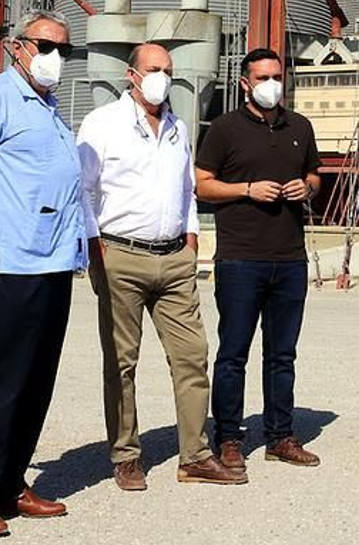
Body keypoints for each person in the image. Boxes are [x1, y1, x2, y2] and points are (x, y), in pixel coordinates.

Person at [0, 11, 92, 536]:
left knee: (36, 380)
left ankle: (10, 482)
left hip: (53, 262)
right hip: (8, 262)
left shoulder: (51, 110)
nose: (55, 57)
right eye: (46, 45)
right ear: (16, 46)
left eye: (64, 50)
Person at [77, 42, 243, 490]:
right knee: (122, 361)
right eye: (154, 69)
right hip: (120, 255)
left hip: (173, 258)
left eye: (168, 70)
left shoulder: (177, 127)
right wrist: (95, 247)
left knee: (192, 356)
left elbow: (186, 190)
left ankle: (195, 455)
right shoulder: (102, 124)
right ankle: (126, 454)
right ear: (131, 74)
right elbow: (83, 190)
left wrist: (189, 240)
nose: (162, 78)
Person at [195, 48, 323, 471]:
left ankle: (281, 436)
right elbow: (201, 186)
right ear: (246, 83)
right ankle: (228, 438)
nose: (272, 85)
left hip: (289, 259)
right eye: (263, 78)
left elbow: (314, 174)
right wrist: (247, 189)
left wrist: (307, 187)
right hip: (240, 259)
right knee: (233, 353)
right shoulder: (224, 129)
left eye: (277, 76)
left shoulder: (299, 127)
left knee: (282, 354)